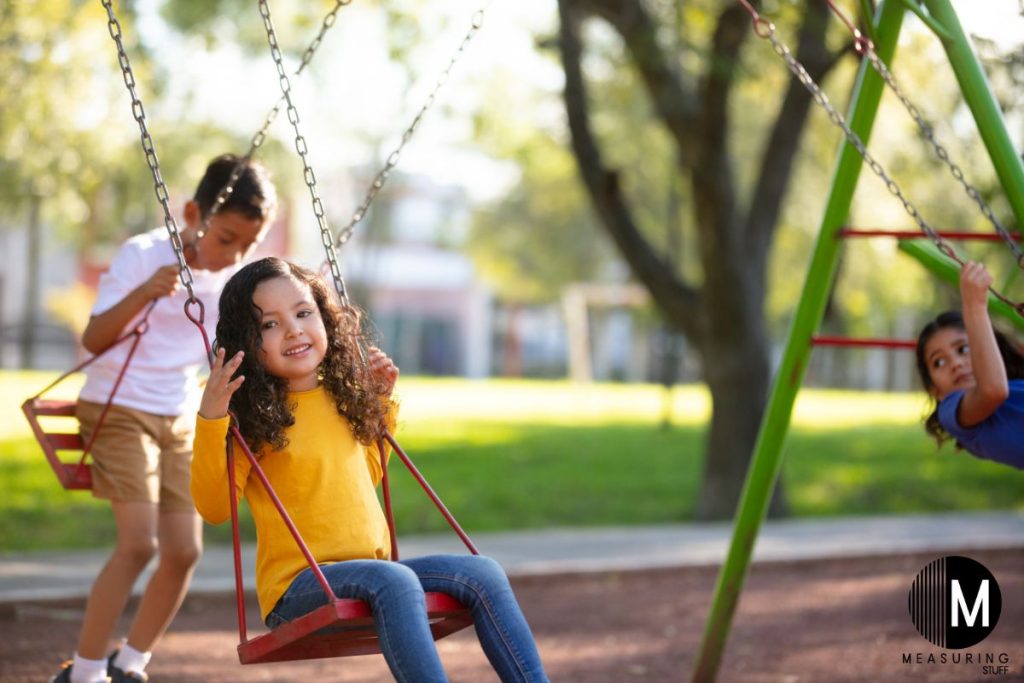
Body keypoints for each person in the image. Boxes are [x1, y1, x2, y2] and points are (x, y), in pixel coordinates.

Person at [190, 257, 550, 683]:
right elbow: (214, 509)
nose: (293, 330)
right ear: (247, 341)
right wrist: (212, 419)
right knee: (393, 580)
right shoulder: (248, 420)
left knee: (482, 572)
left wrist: (380, 404)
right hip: (299, 586)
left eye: (304, 313)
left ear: (324, 318)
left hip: (373, 572)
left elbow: (367, 478)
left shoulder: (342, 398)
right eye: (269, 324)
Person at [53, 155, 278, 683]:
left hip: (179, 413)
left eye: (247, 246)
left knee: (183, 551)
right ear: (193, 212)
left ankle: (130, 663)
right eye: (226, 239)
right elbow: (93, 339)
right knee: (139, 544)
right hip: (119, 405)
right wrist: (145, 292)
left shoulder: (231, 280)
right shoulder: (143, 255)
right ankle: (84, 672)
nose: (234, 255)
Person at [915, 261, 1024, 470]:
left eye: (963, 349)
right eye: (938, 362)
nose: (955, 364)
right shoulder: (952, 412)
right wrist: (974, 305)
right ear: (935, 390)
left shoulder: (1016, 387)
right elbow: (992, 390)